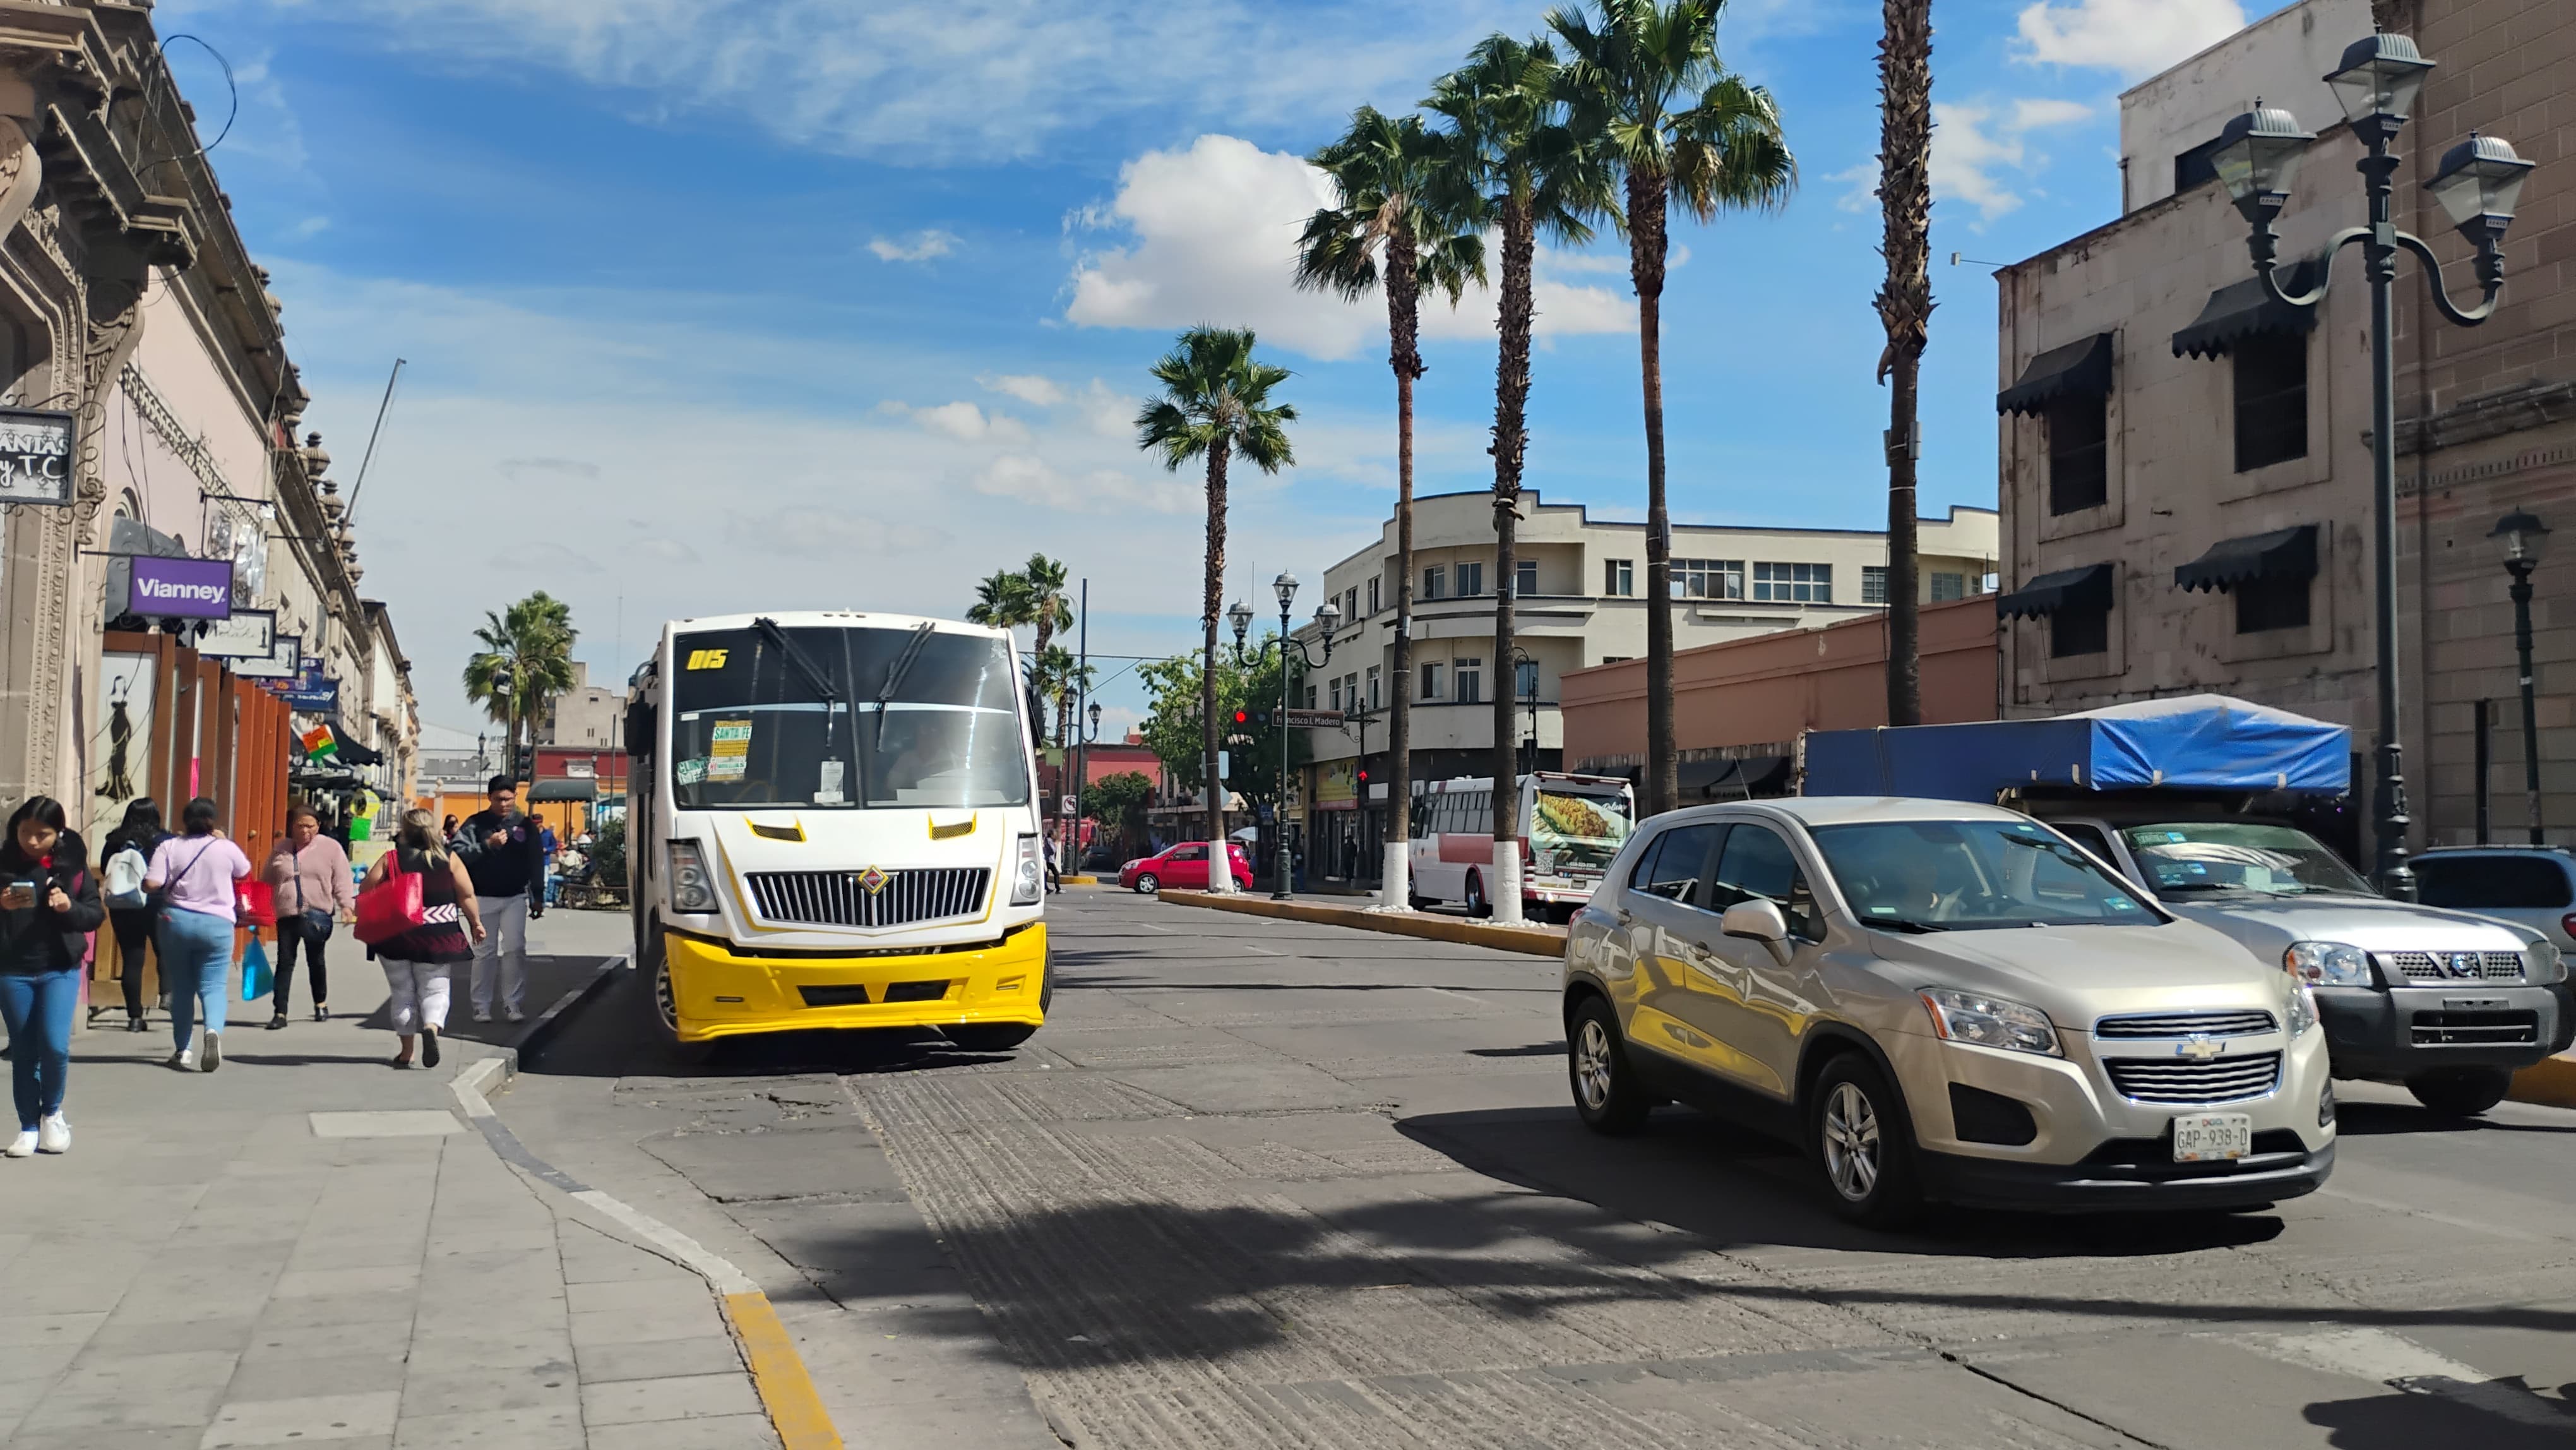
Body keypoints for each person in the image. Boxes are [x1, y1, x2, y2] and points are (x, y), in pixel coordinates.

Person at [0, 797, 104, 1156]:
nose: (30, 841)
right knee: (24, 1050)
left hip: (59, 968)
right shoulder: (4, 862)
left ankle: (52, 1113)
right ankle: (28, 1127)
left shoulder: (71, 866)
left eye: (40, 834)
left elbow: (94, 914)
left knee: (55, 1046)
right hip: (12, 970)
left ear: (57, 833)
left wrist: (68, 907)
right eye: (24, 832)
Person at [363, 808, 484, 1069]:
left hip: (395, 935)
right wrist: (476, 924)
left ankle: (407, 1052)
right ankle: (431, 1026)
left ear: (405, 831)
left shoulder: (391, 858)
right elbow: (467, 895)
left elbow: (366, 889)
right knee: (436, 989)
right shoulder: (448, 858)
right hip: (439, 934)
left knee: (402, 992)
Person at [144, 798, 252, 1072]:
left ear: (184, 820)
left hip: (175, 921)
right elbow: (244, 870)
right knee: (213, 986)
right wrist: (222, 840)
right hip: (217, 925)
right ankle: (212, 1032)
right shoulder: (225, 848)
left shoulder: (169, 846)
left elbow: (153, 883)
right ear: (213, 821)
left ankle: (183, 1050)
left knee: (182, 987)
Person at [458, 776, 545, 1023]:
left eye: (508, 798)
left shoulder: (525, 825)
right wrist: (487, 844)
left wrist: (537, 896)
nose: (504, 804)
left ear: (516, 796)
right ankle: (481, 1006)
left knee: (515, 948)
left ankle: (512, 1004)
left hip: (515, 897)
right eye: (499, 799)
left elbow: (536, 860)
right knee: (484, 952)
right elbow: (458, 853)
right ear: (490, 798)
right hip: (482, 897)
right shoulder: (475, 824)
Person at [263, 803, 355, 1029]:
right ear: (292, 827)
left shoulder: (331, 848)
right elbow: (266, 879)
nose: (305, 831)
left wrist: (346, 906)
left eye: (310, 826)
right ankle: (280, 1012)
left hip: (317, 914)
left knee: (316, 960)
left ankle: (320, 1003)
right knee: (285, 962)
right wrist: (260, 909)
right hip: (287, 913)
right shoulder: (281, 849)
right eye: (300, 826)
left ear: (318, 826)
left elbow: (342, 879)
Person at [100, 797, 170, 1033]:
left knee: (132, 959)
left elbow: (104, 868)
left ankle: (135, 1018)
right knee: (164, 949)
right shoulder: (163, 840)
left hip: (124, 903)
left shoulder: (114, 840)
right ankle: (167, 993)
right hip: (156, 901)